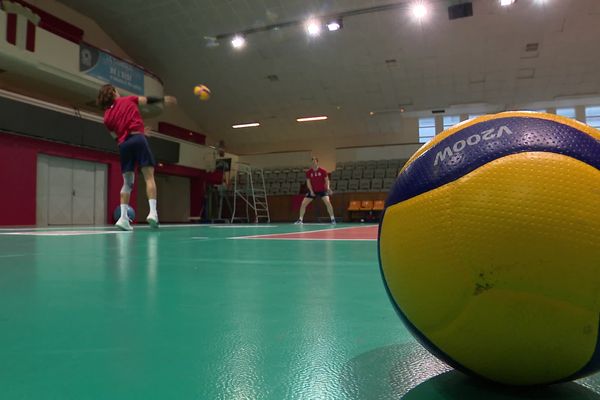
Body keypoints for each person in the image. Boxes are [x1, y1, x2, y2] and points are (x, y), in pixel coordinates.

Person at [96, 84, 177, 231]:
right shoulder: (128, 100)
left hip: (124, 146)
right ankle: (153, 213)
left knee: (127, 183)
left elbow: (116, 137)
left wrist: (135, 133)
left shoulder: (106, 117)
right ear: (114, 92)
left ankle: (123, 218)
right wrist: (163, 100)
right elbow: (146, 100)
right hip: (138, 139)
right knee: (149, 177)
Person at [295, 157, 336, 224]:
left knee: (328, 202)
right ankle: (300, 220)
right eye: (312, 162)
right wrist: (311, 191)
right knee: (303, 203)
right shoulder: (308, 172)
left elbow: (327, 180)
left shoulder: (323, 171)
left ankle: (333, 219)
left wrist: (328, 188)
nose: (313, 163)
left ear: (317, 162)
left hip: (322, 190)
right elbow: (308, 182)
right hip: (313, 191)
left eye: (314, 162)